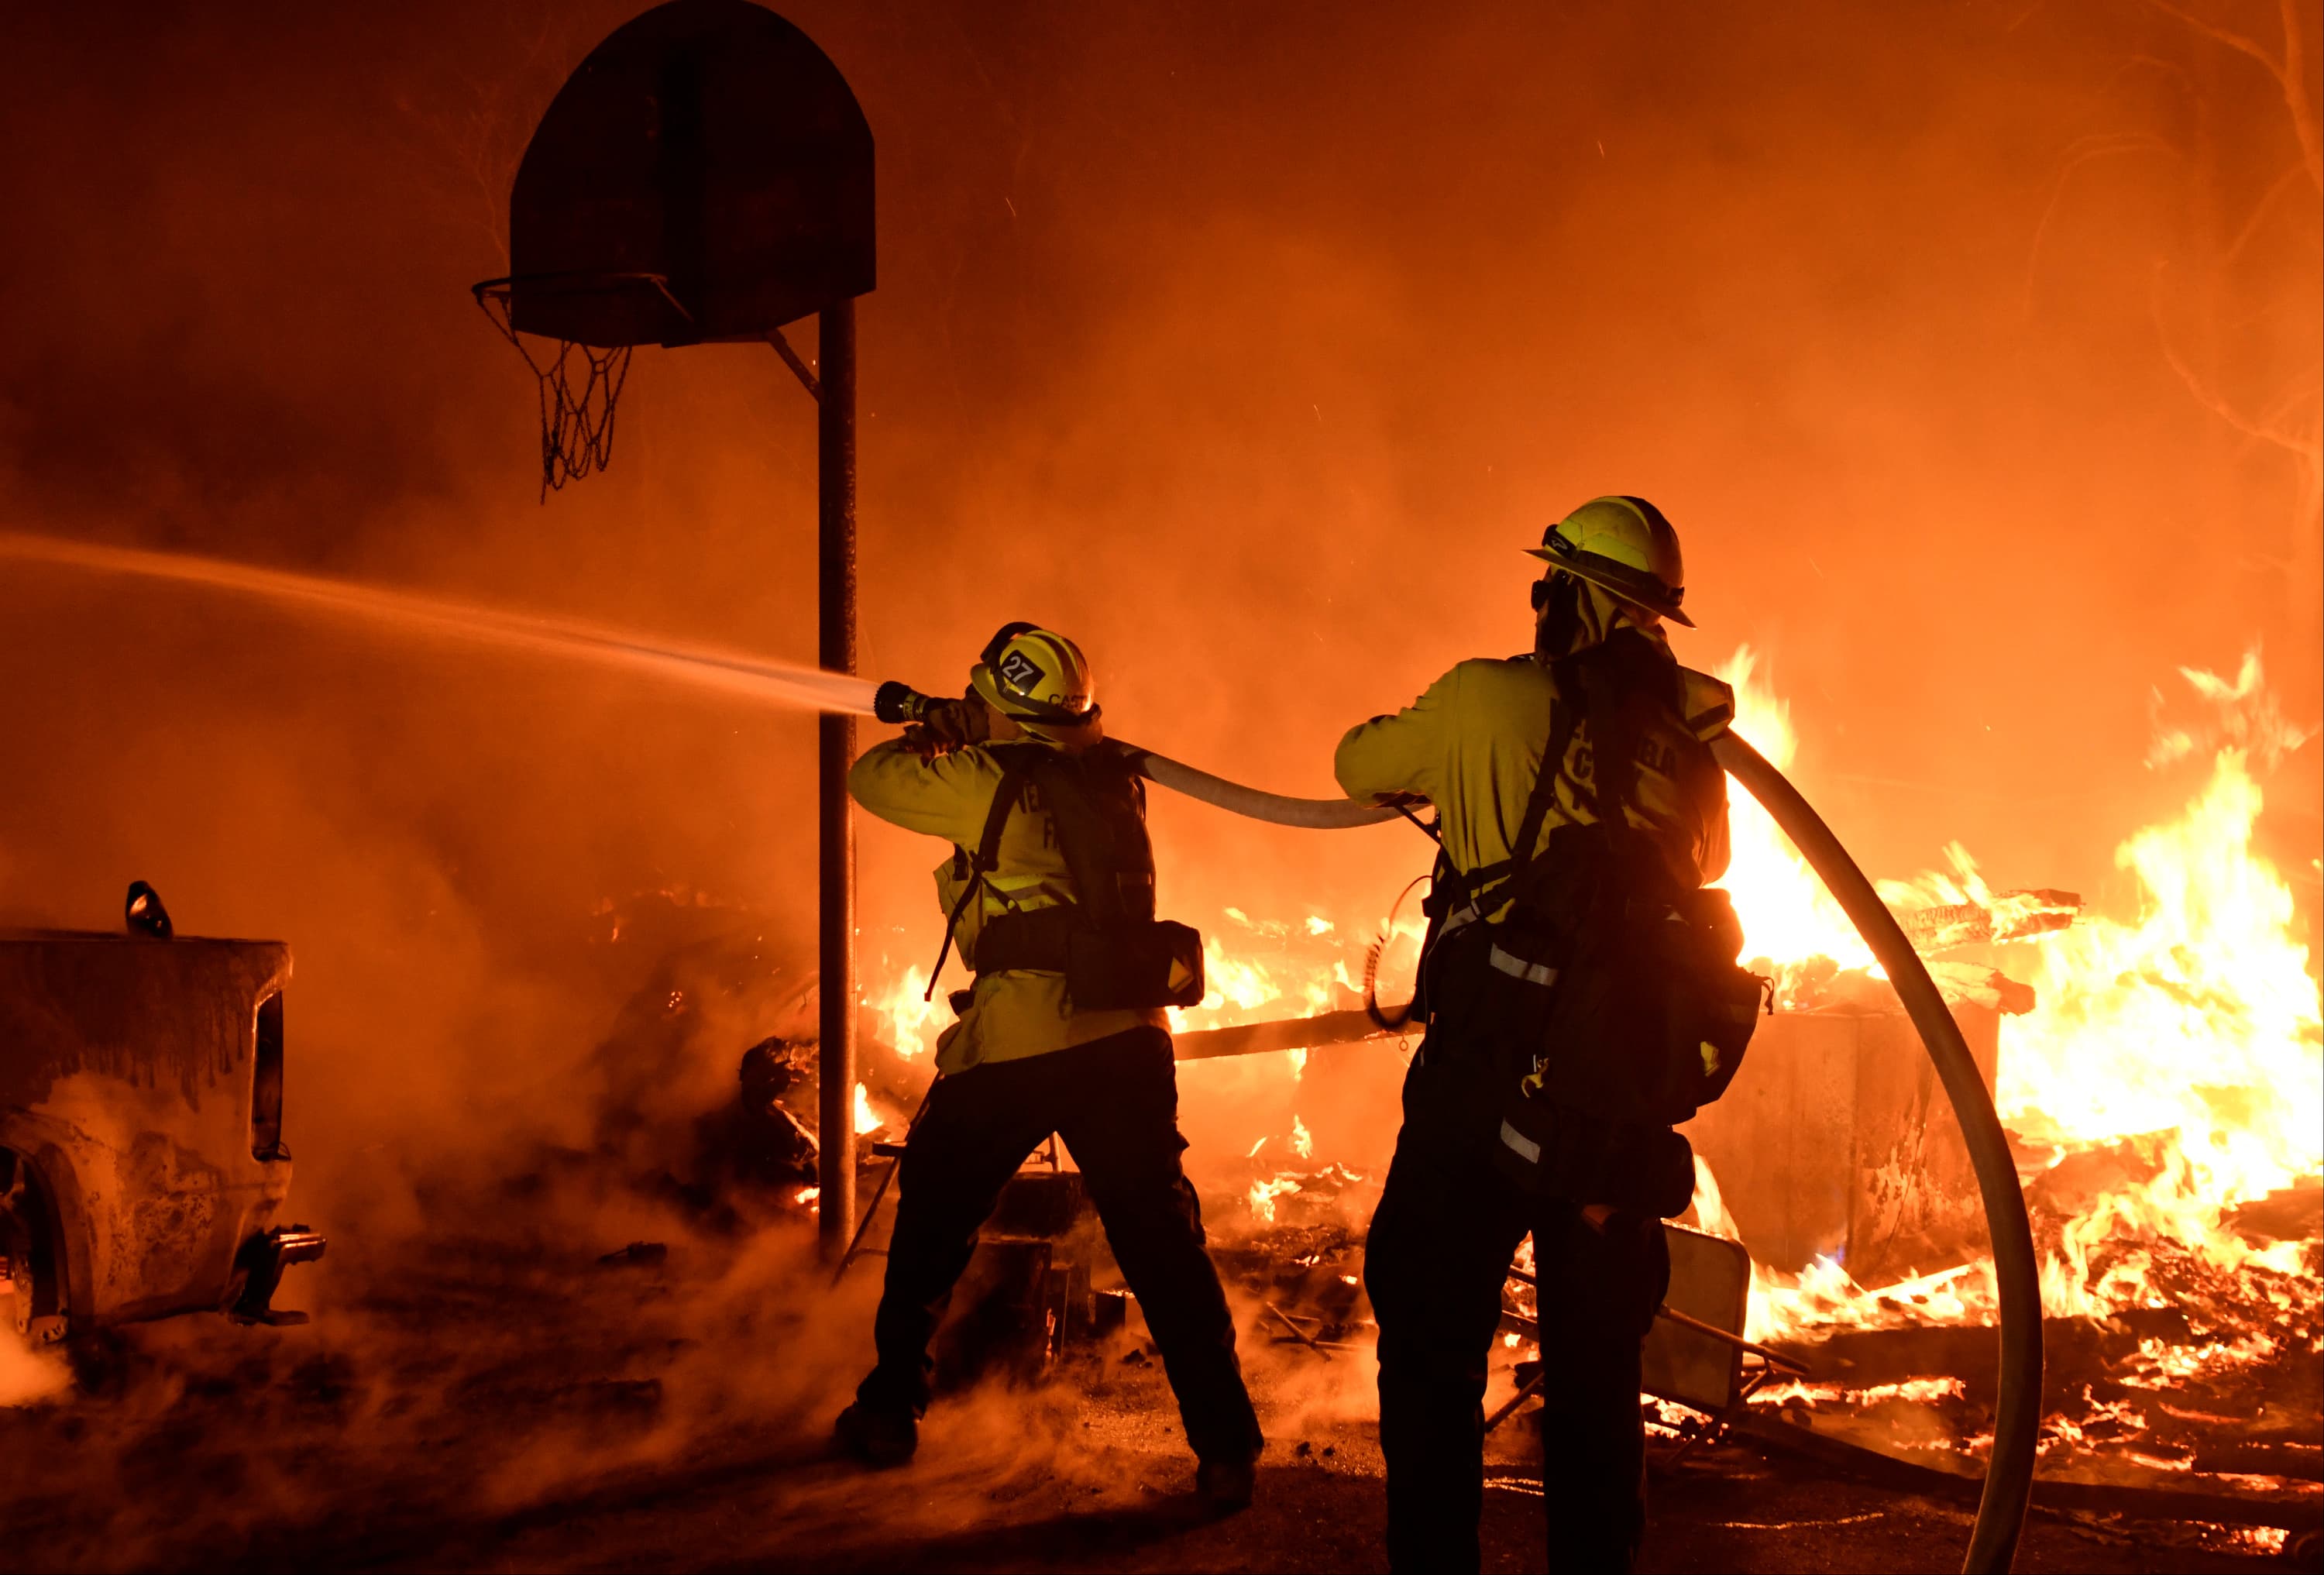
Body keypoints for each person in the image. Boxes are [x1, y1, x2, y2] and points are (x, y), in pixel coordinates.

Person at [1336, 497, 1737, 1573]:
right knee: (1599, 1390)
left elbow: (1356, 764)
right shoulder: (1692, 751)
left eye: (1546, 587)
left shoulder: (1482, 700)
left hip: (1482, 1078)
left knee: (1431, 1355)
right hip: (1610, 1100)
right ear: (1654, 622)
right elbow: (1708, 865)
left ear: (1564, 594)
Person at [833, 621, 1264, 1513]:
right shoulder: (1114, 774)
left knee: (934, 1220)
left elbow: (865, 778)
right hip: (1130, 1039)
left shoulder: (985, 778)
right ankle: (1226, 1449)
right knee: (1163, 1247)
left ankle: (888, 1409)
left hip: (1023, 1040)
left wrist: (937, 729)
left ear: (1004, 703)